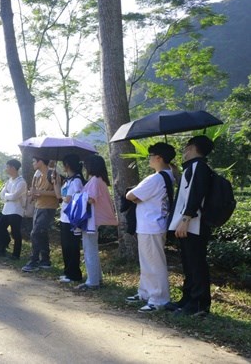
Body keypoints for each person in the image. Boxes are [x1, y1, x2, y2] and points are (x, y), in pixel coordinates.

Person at [167, 135, 215, 317]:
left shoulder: (198, 167)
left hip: (194, 224)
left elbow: (196, 195)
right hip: (188, 224)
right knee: (188, 263)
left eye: (186, 147)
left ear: (193, 147)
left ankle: (199, 304)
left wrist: (186, 219)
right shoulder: (193, 168)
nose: (184, 151)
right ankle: (187, 299)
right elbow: (188, 192)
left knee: (196, 264)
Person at [125, 142, 175, 312]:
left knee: (154, 263)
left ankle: (159, 299)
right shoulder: (169, 175)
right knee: (147, 262)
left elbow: (130, 195)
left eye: (151, 156)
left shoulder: (156, 178)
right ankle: (145, 292)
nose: (149, 159)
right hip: (154, 223)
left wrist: (136, 195)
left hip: (151, 224)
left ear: (159, 158)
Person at [74, 155, 118, 291]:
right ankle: (96, 278)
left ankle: (92, 282)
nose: (85, 166)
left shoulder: (94, 180)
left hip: (92, 219)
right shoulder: (100, 180)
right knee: (91, 248)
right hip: (94, 219)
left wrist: (77, 197)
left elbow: (91, 199)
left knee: (89, 249)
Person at [53, 154, 85, 284]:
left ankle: (74, 274)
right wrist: (56, 182)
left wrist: (63, 196)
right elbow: (59, 197)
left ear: (67, 165)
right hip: (64, 218)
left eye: (63, 164)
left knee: (72, 247)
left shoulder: (77, 180)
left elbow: (70, 198)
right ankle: (67, 272)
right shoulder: (68, 180)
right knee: (66, 246)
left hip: (72, 218)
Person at [22, 158, 57, 272]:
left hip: (48, 208)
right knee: (41, 233)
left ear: (40, 161)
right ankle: (45, 260)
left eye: (34, 161)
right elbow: (37, 192)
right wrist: (33, 194)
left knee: (35, 233)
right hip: (39, 206)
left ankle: (34, 260)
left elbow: (57, 193)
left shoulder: (52, 174)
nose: (32, 164)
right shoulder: (39, 176)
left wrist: (40, 192)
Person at [0, 159, 27, 260]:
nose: (6, 169)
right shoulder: (9, 181)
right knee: (1, 228)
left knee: (15, 232)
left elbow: (15, 196)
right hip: (6, 210)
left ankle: (16, 254)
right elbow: (1, 195)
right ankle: (1, 249)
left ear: (13, 168)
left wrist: (7, 195)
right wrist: (8, 195)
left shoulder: (21, 182)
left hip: (16, 210)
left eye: (7, 167)